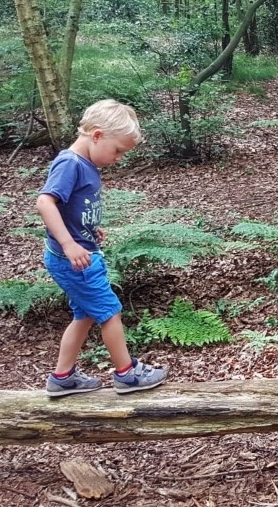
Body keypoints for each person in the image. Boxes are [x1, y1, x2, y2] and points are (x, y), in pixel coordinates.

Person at [37, 99, 167, 397]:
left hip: (82, 253)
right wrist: (70, 244)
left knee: (83, 316)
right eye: (118, 150)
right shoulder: (70, 163)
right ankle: (127, 374)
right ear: (96, 135)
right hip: (75, 261)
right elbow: (45, 202)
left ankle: (62, 377)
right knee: (110, 312)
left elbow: (73, 207)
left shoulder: (86, 164)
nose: (119, 157)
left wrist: (89, 229)